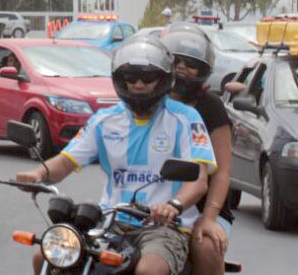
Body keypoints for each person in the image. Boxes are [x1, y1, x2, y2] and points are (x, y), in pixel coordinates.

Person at [15, 38, 215, 275]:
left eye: (147, 78)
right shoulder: (104, 120)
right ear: (120, 79)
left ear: (163, 79)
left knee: (149, 270)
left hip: (164, 227)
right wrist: (37, 173)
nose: (138, 84)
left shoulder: (185, 118)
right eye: (131, 77)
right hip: (108, 222)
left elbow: (199, 180)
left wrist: (173, 206)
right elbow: (66, 161)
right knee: (47, 255)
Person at [161, 24, 234, 275]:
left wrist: (209, 217)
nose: (182, 68)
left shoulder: (210, 106)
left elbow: (222, 171)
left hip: (204, 205)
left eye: (191, 64)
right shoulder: (149, 101)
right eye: (176, 61)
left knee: (207, 246)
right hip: (152, 202)